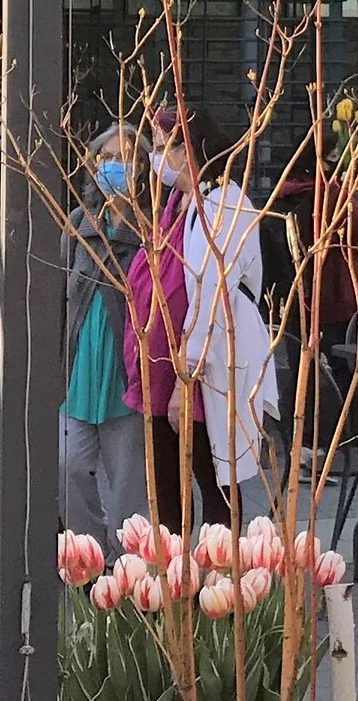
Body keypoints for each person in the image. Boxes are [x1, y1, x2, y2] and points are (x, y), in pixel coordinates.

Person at [123, 107, 279, 533]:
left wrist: (184, 379)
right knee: (167, 490)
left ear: (188, 149)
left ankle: (217, 587)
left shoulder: (224, 204)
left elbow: (213, 295)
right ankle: (176, 588)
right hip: (162, 367)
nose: (155, 159)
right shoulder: (178, 202)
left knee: (213, 487)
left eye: (161, 149)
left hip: (201, 370)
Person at [261, 131, 358, 481]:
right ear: (323, 159)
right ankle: (341, 444)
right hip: (333, 300)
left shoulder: (279, 195)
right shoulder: (333, 195)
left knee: (301, 374)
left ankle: (302, 448)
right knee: (339, 371)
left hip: (292, 300)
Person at [59, 123, 150, 563]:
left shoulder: (151, 228)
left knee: (128, 493)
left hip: (125, 374)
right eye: (106, 158)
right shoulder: (79, 223)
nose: (115, 166)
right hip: (80, 372)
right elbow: (59, 294)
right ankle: (89, 562)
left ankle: (128, 574)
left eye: (126, 157)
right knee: (69, 467)